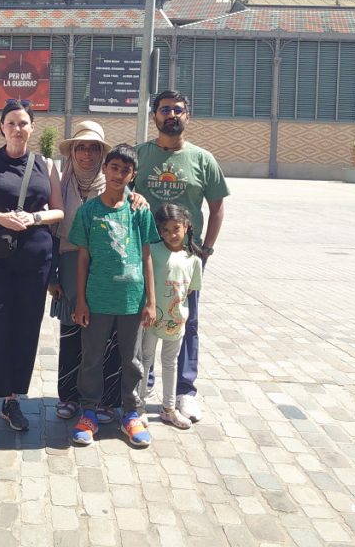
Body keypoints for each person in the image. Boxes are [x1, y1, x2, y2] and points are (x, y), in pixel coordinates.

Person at [0, 99, 64, 446]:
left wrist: (34, 217)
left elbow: (59, 211)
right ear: (2, 127)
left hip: (34, 260)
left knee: (25, 330)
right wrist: (0, 218)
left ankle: (11, 401)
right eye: (11, 123)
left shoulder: (46, 164)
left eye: (23, 123)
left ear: (32, 127)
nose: (17, 129)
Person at [134, 90, 229, 423]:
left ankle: (185, 392)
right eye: (164, 109)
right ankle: (142, 386)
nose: (171, 114)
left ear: (188, 115)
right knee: (143, 322)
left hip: (185, 259)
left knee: (186, 320)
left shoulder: (203, 159)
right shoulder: (139, 156)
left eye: (178, 109)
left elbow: (217, 208)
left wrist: (206, 250)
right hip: (145, 255)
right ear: (154, 116)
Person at [69, 144, 158, 449]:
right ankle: (88, 413)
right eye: (114, 168)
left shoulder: (139, 210)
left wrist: (151, 301)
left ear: (134, 175)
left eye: (126, 170)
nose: (119, 175)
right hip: (97, 299)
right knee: (91, 358)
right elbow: (83, 257)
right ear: (105, 169)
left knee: (132, 360)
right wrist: (81, 300)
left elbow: (146, 256)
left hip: (132, 300)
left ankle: (131, 413)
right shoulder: (88, 211)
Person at [49, 121, 121, 424]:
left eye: (94, 148)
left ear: (102, 154)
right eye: (81, 148)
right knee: (72, 331)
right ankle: (68, 395)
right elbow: (51, 232)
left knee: (107, 333)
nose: (87, 154)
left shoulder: (115, 184)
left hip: (105, 268)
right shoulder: (61, 184)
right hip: (69, 263)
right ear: (72, 152)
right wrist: (51, 275)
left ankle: (106, 399)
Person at [140, 204, 206, 429]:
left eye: (176, 228)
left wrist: (177, 312)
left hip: (176, 321)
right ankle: (139, 406)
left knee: (170, 362)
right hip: (151, 318)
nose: (171, 235)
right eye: (165, 230)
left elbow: (189, 291)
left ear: (186, 226)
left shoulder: (194, 259)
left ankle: (168, 408)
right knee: (146, 359)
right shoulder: (152, 251)